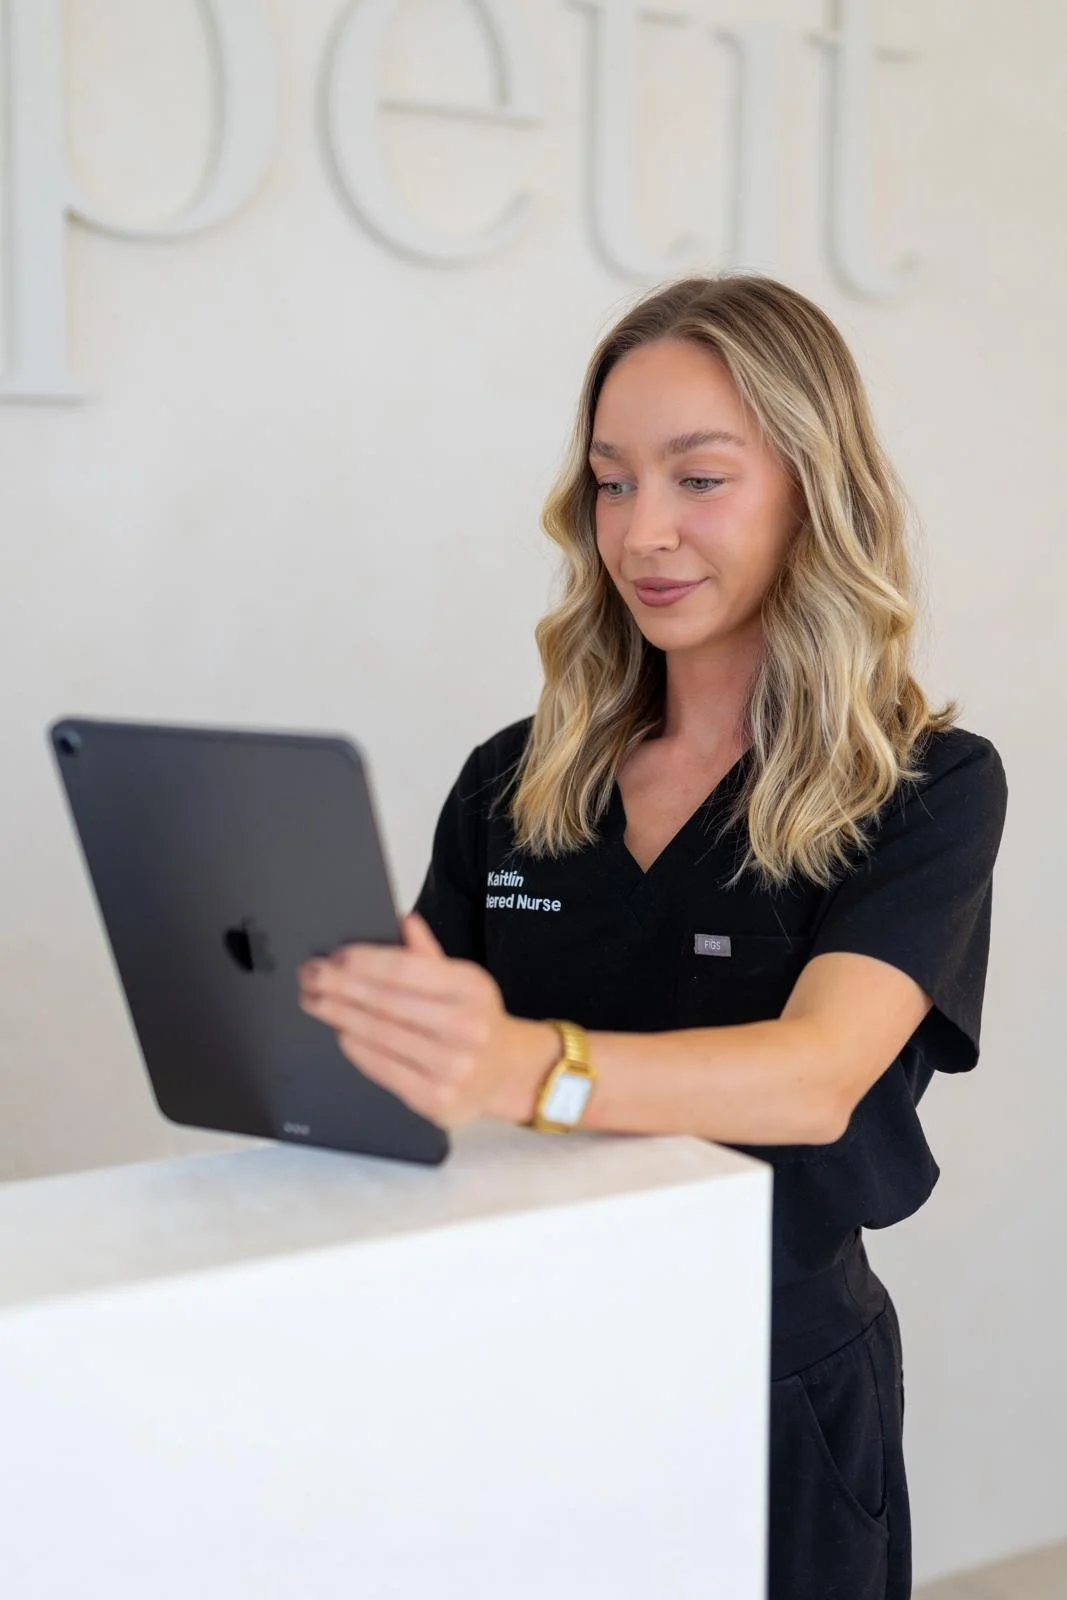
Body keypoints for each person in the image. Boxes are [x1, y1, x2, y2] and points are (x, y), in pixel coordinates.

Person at [296, 274, 1009, 1600]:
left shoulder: (924, 784)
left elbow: (814, 1075)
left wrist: (526, 1067)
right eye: (612, 483)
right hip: (520, 1358)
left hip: (767, 1386)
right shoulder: (516, 777)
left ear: (811, 486)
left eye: (698, 478)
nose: (642, 534)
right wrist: (355, 1013)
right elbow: (419, 1062)